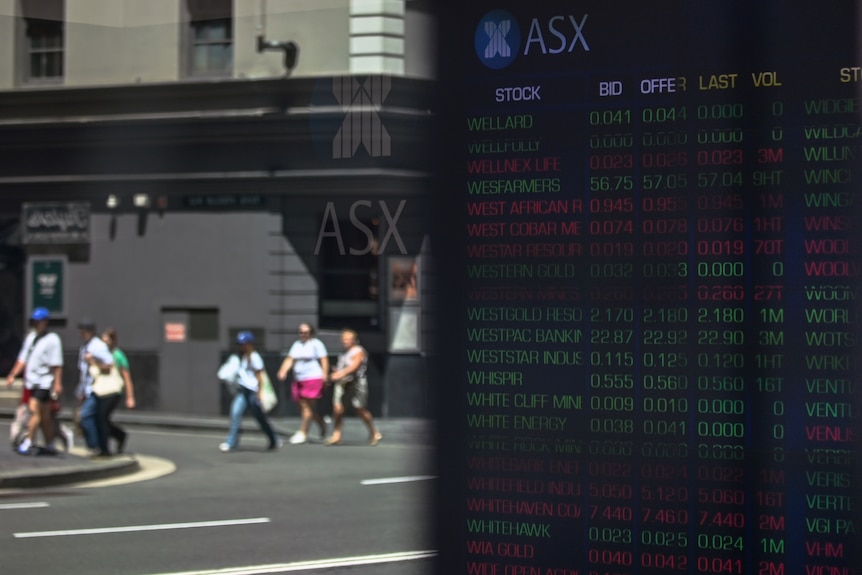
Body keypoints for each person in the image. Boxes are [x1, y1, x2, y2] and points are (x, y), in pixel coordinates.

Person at [4, 307, 64, 455]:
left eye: (40, 321)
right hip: (31, 382)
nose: (38, 324)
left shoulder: (53, 340)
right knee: (45, 416)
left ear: (46, 322)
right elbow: (22, 360)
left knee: (33, 410)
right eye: (35, 321)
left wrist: (57, 382)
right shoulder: (31, 338)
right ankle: (50, 444)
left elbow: (56, 364)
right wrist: (12, 375)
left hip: (44, 382)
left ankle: (28, 442)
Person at [219, 331, 282, 452]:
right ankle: (231, 442)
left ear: (249, 344)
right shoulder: (240, 356)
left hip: (253, 392)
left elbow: (259, 375)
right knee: (235, 413)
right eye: (239, 344)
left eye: (243, 343)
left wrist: (259, 393)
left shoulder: (254, 357)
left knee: (260, 418)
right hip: (243, 391)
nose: (240, 346)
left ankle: (274, 438)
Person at [324, 329, 382, 446]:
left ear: (354, 340)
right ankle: (336, 435)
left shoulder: (358, 351)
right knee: (338, 409)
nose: (345, 341)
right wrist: (336, 372)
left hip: (356, 383)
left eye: (348, 339)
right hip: (342, 383)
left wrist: (340, 374)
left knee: (359, 408)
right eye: (343, 339)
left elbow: (354, 367)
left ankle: (374, 432)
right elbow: (342, 369)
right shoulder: (344, 354)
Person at [277, 323, 329, 444]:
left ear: (311, 333)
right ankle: (321, 423)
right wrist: (283, 370)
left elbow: (324, 359)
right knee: (302, 407)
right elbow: (290, 359)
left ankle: (303, 432)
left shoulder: (316, 344)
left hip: (313, 377)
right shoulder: (297, 345)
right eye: (301, 332)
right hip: (299, 379)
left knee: (307, 406)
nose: (303, 335)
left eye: (306, 332)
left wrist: (325, 375)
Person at [75, 318, 115, 457]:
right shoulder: (84, 347)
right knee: (95, 418)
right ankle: (102, 448)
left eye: (84, 331)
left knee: (85, 416)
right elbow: (83, 372)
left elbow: (109, 364)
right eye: (81, 331)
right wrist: (80, 391)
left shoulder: (98, 346)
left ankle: (95, 446)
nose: (82, 333)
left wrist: (93, 361)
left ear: (91, 332)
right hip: (87, 389)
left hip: (97, 389)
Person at [98, 328, 136, 454]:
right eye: (103, 339)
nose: (105, 342)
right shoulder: (100, 354)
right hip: (102, 389)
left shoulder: (118, 356)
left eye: (107, 340)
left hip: (115, 390)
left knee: (102, 417)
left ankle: (106, 445)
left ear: (113, 341)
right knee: (101, 418)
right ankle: (119, 435)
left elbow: (127, 378)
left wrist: (130, 397)